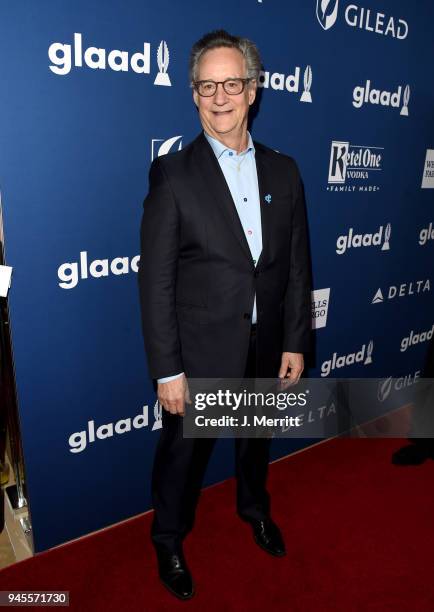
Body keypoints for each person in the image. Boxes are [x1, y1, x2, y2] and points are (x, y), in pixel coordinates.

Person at [138, 30, 312, 600]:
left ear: (253, 90)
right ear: (193, 94)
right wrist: (168, 371)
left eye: (231, 84)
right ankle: (167, 539)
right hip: (202, 354)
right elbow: (156, 282)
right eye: (206, 86)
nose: (219, 97)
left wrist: (294, 340)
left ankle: (254, 510)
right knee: (183, 459)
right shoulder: (173, 175)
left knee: (255, 443)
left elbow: (294, 268)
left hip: (265, 348)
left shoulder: (285, 172)